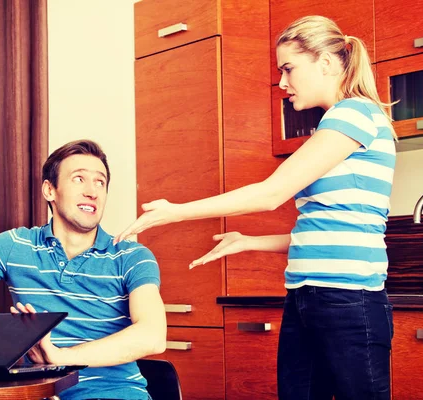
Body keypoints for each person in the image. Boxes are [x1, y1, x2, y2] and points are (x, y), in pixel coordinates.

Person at [114, 15, 396, 400]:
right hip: (308, 296)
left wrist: (176, 211)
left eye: (288, 68)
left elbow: (270, 194)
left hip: (348, 300)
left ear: (326, 63)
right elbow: (326, 229)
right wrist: (249, 242)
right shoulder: (334, 125)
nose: (282, 83)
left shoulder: (354, 114)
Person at [0, 139, 167, 400]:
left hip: (113, 394)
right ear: (49, 190)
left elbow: (153, 335)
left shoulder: (132, 256)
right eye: (79, 179)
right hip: (35, 393)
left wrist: (62, 357)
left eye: (100, 182)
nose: (92, 191)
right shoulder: (14, 246)